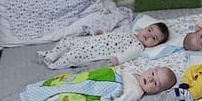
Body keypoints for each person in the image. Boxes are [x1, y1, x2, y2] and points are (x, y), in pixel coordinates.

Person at [20, 65, 176, 101]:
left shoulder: (135, 91)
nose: (150, 80)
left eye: (155, 84)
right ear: (151, 69)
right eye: (153, 74)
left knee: (73, 92)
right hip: (98, 76)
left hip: (103, 86)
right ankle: (41, 89)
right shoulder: (136, 71)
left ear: (157, 92)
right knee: (70, 81)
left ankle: (41, 99)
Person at [38, 22, 170, 69]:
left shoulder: (139, 47)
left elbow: (127, 55)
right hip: (91, 41)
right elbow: (113, 37)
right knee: (68, 40)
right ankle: (52, 54)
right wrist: (103, 34)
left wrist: (117, 60)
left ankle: (54, 65)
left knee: (72, 56)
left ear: (154, 45)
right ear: (145, 27)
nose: (149, 35)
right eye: (150, 30)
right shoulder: (130, 33)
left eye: (154, 38)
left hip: (93, 53)